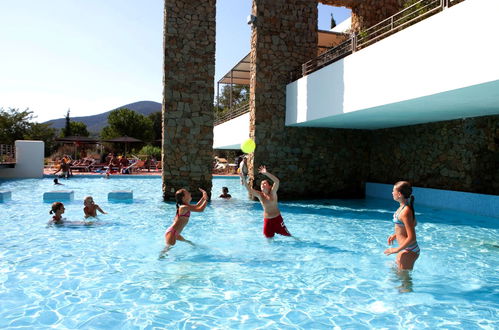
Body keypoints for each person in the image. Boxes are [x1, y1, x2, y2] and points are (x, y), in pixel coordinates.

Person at [240, 165, 292, 239]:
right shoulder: (260, 195)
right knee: (268, 239)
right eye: (261, 184)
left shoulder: (273, 193)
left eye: (264, 183)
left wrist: (266, 173)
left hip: (277, 219)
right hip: (267, 221)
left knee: (288, 236)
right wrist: (243, 179)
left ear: (269, 186)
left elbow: (277, 181)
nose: (262, 185)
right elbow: (249, 189)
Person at [384, 181, 420, 270]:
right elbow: (411, 225)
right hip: (406, 249)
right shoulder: (402, 207)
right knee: (396, 274)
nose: (392, 193)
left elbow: (412, 238)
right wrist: (396, 235)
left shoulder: (405, 211)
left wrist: (396, 250)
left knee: (404, 280)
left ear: (399, 194)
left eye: (393, 191)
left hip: (409, 250)